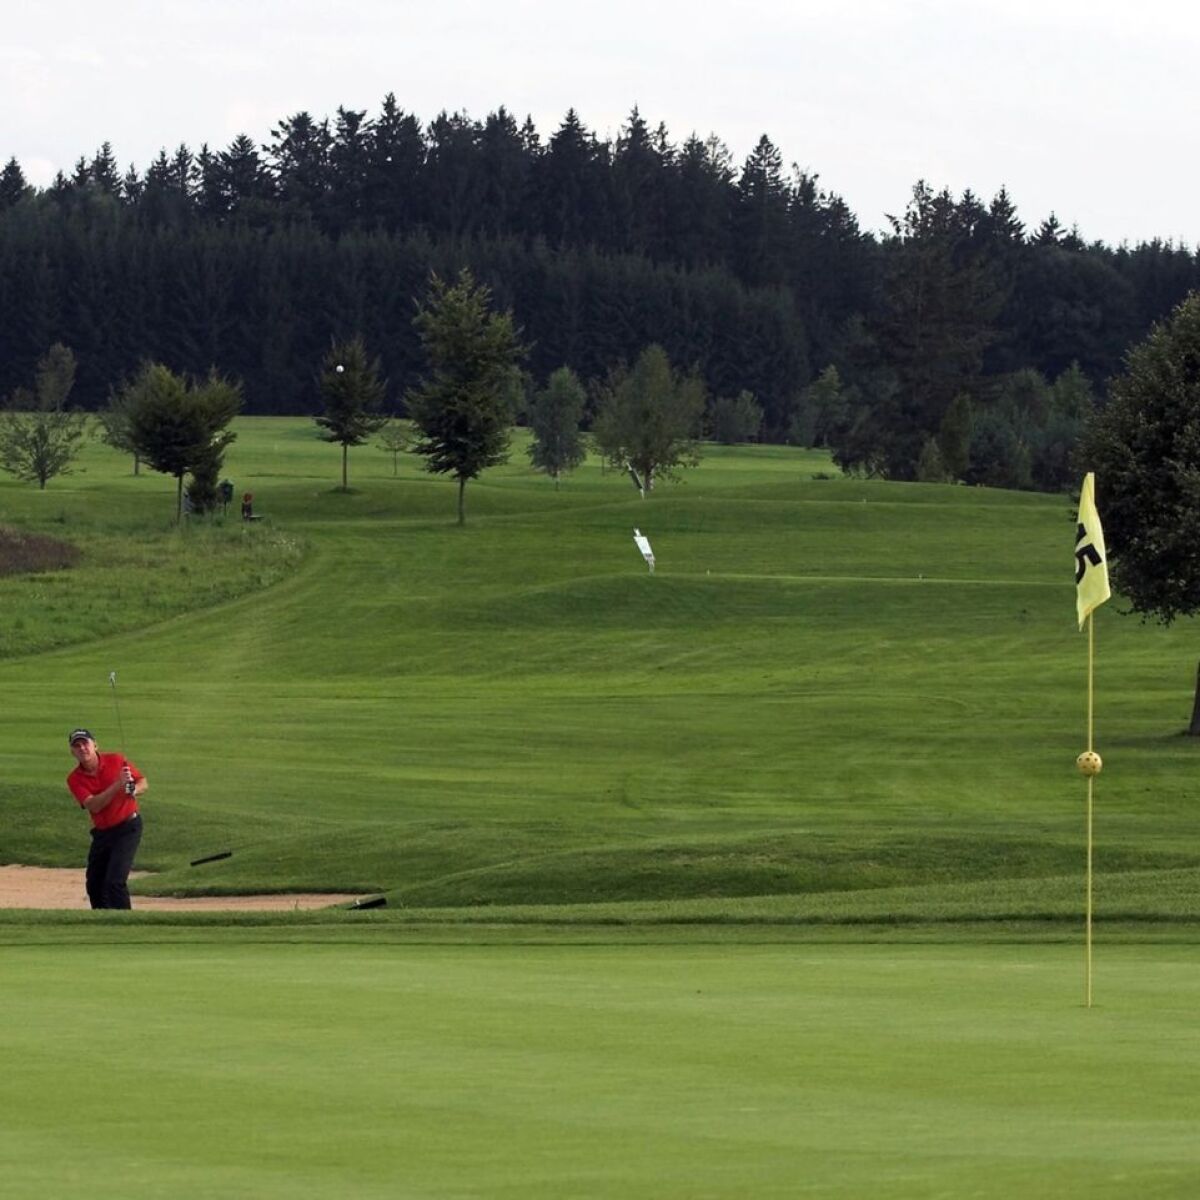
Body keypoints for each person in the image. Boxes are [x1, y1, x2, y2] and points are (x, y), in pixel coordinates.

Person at [65, 728, 148, 910]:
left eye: (85, 743)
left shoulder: (116, 760)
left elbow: (142, 782)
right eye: (76, 746)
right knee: (94, 884)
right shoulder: (74, 779)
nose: (82, 748)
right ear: (72, 752)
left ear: (95, 745)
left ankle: (125, 926)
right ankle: (103, 924)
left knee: (115, 882)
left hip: (127, 827)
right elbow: (94, 805)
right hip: (102, 833)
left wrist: (133, 789)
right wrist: (118, 784)